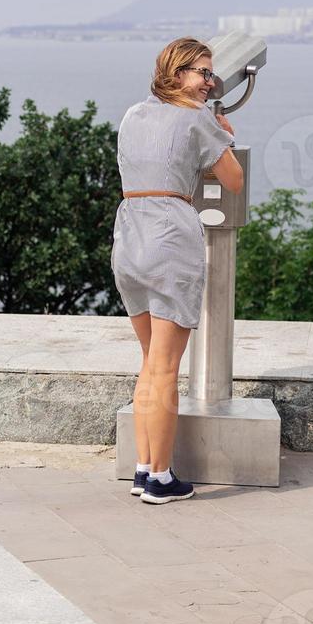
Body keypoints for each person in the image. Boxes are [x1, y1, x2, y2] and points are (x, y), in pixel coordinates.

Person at [111, 37, 244, 504]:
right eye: (203, 73)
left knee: (150, 363)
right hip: (170, 235)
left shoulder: (132, 114)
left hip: (129, 233)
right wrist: (223, 132)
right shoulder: (198, 118)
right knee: (167, 368)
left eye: (212, 75)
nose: (210, 82)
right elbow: (234, 179)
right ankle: (162, 478)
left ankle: (144, 468)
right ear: (177, 73)